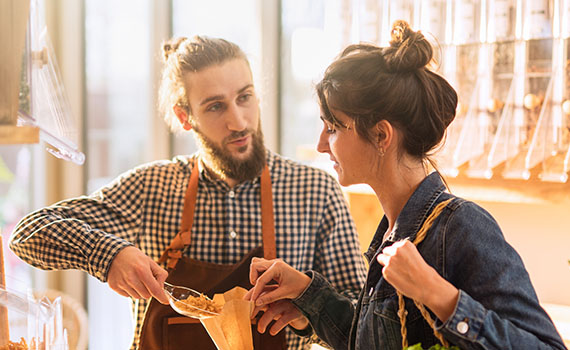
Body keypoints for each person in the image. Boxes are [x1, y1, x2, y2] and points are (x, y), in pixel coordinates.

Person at [9, 35, 366, 350]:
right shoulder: (152, 188)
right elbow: (27, 234)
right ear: (184, 117)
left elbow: (362, 322)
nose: (239, 122)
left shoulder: (315, 192)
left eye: (245, 98)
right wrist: (108, 255)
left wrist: (307, 315)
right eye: (215, 106)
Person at [245, 21, 568, 350]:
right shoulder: (393, 231)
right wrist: (306, 295)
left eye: (333, 128)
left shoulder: (461, 228)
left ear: (381, 135)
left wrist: (438, 294)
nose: (320, 145)